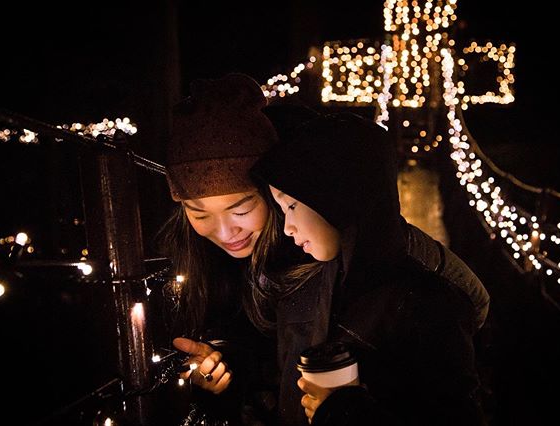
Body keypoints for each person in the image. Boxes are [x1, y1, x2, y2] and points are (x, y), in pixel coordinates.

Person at [249, 110, 488, 425]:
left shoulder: (428, 305)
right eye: (281, 211)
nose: (287, 228)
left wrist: (347, 413)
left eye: (292, 206)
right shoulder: (309, 285)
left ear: (338, 195)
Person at [158, 72, 282, 425]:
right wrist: (209, 375)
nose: (226, 232)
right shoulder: (183, 263)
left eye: (241, 209)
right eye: (199, 213)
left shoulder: (308, 251)